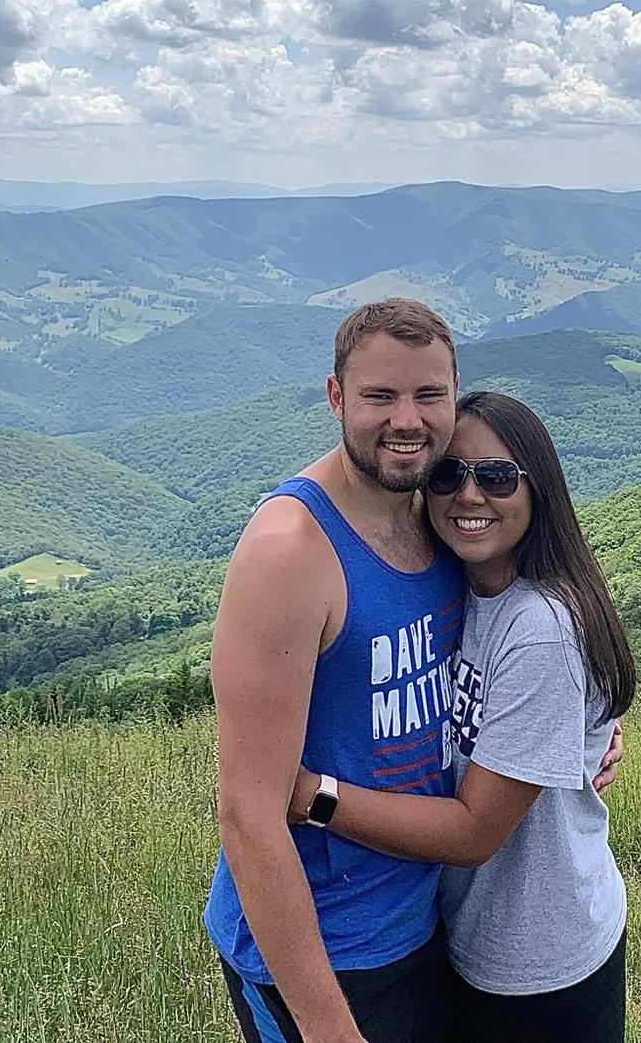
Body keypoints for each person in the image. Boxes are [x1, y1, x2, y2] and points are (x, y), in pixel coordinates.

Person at [289, 390, 635, 1043]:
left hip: (539, 963)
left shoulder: (540, 627)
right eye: (449, 473)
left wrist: (312, 796)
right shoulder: (456, 587)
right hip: (462, 935)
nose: (470, 495)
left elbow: (476, 833)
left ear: (539, 491)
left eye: (498, 476)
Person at [205, 299, 465, 1043]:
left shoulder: (442, 510)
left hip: (424, 918)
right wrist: (326, 1028)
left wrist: (583, 736)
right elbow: (248, 816)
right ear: (335, 397)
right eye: (379, 396)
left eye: (427, 395)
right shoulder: (290, 553)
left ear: (455, 392)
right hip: (325, 954)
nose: (406, 420)